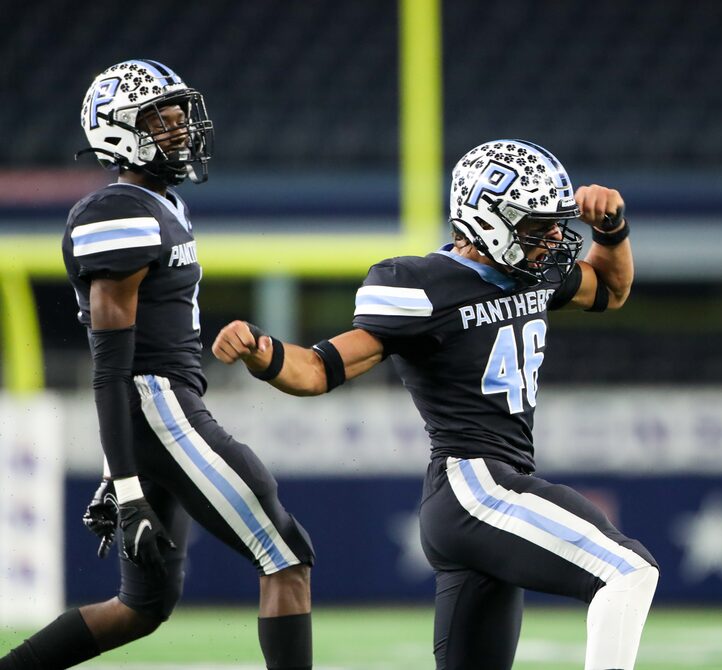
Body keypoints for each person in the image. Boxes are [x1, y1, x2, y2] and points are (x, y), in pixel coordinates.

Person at [212, 139, 659, 670]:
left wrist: (612, 231)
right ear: (488, 219)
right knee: (628, 570)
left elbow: (609, 287)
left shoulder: (533, 270)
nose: (555, 239)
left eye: (555, 224)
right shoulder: (425, 286)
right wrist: (263, 353)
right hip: (476, 487)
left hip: (479, 497)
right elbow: (318, 369)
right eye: (538, 226)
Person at [0, 60, 314, 670]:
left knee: (141, 606)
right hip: (160, 406)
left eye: (178, 119)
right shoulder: (117, 213)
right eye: (162, 121)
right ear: (119, 133)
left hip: (157, 413)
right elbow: (112, 370)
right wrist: (126, 483)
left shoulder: (155, 203)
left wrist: (132, 466)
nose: (180, 131)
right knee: (287, 556)